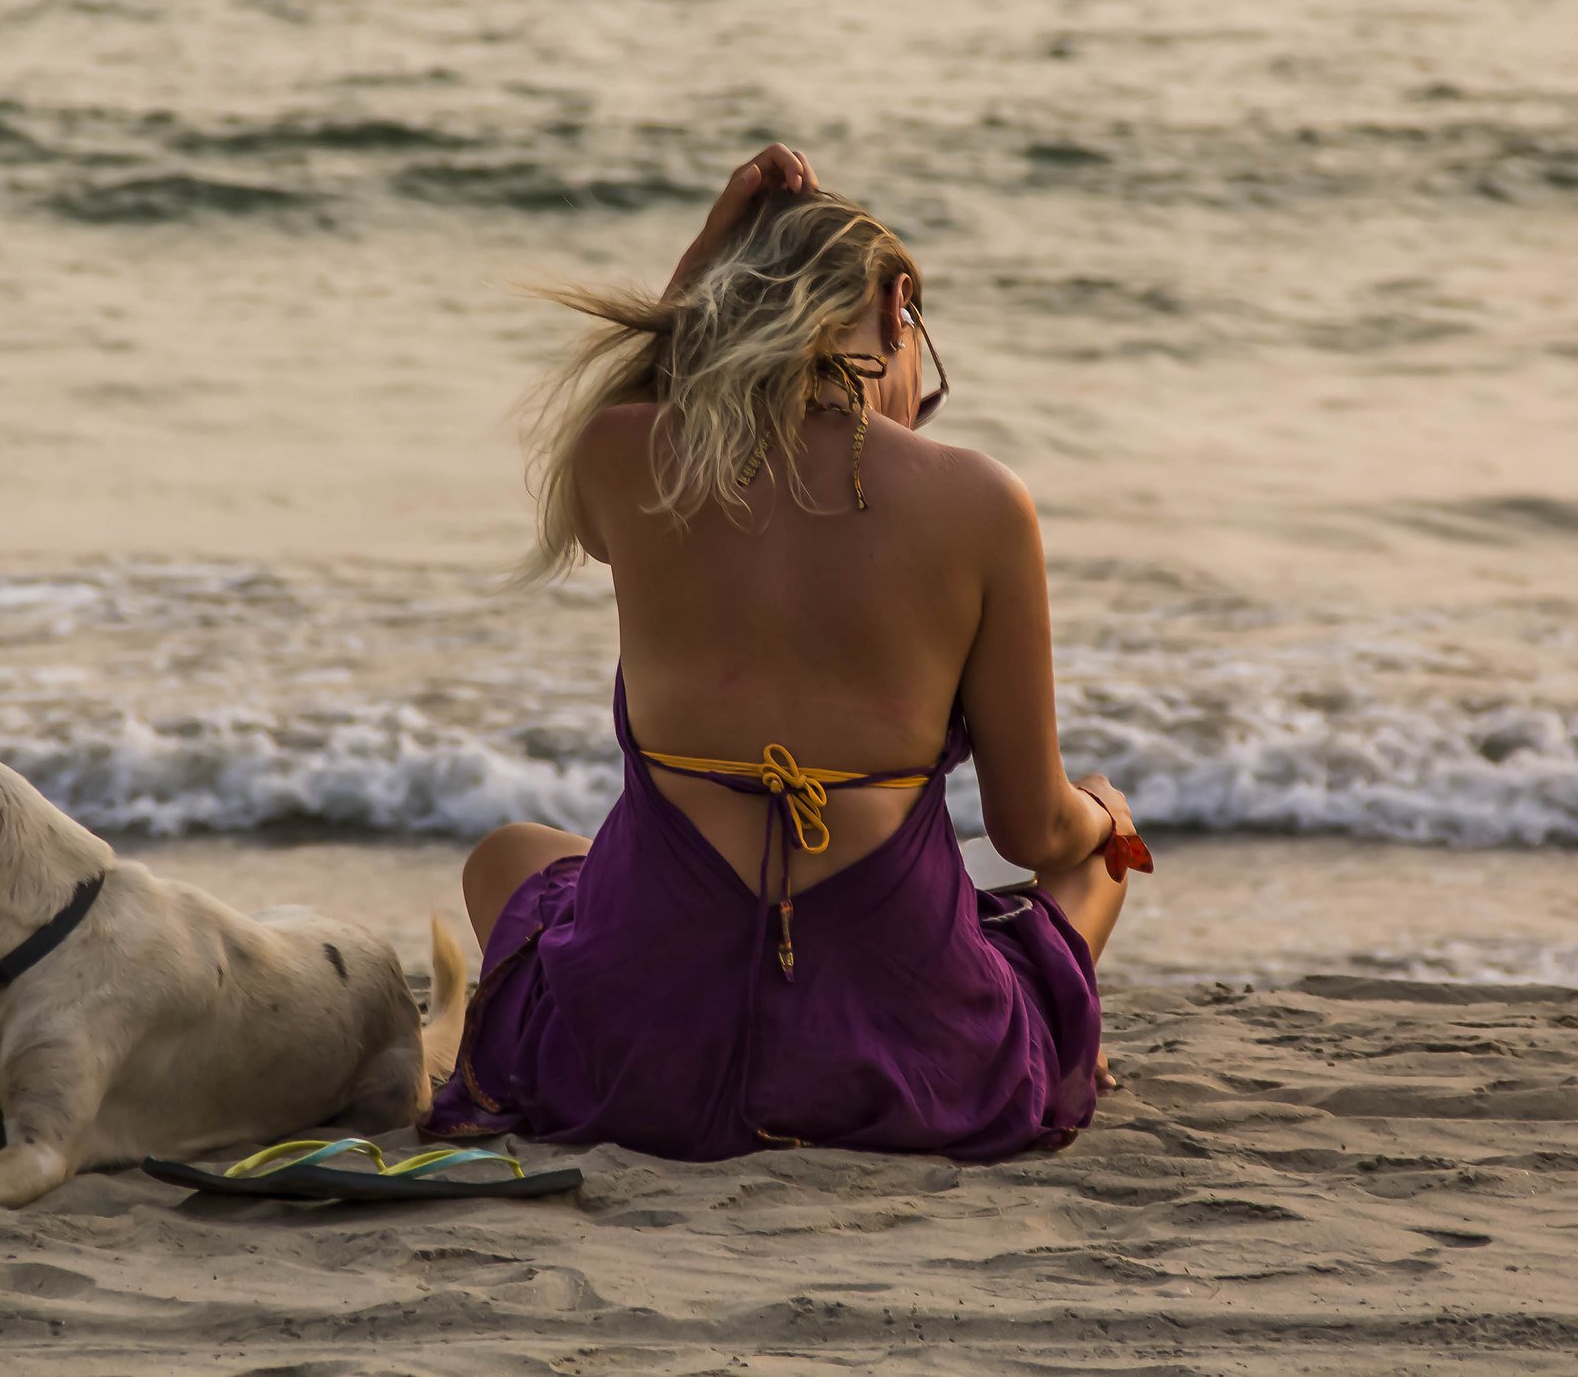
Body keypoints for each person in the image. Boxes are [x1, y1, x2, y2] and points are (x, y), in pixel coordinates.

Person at [427, 144, 1149, 1162]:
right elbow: (1030, 830)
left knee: (508, 854)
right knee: (1103, 856)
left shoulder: (624, 456)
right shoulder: (984, 500)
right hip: (902, 1053)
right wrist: (1102, 816)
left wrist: (712, 242)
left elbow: (641, 402)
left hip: (643, 1051)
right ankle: (1080, 959)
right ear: (899, 307)